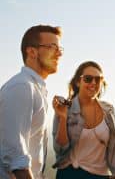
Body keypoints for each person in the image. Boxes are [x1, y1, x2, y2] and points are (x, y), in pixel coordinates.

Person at [0, 25, 63, 179]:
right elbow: (15, 157)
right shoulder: (22, 87)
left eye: (60, 48)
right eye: (52, 47)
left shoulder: (35, 88)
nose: (59, 53)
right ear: (32, 51)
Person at [52, 61, 115, 179]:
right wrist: (63, 117)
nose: (93, 83)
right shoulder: (65, 108)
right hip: (69, 174)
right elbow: (60, 149)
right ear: (77, 82)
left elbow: (114, 147)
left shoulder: (108, 110)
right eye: (88, 79)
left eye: (98, 79)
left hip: (100, 176)